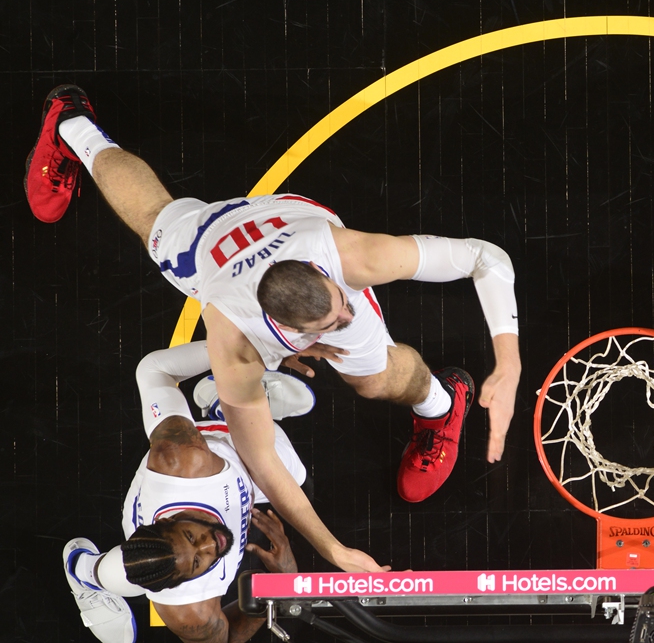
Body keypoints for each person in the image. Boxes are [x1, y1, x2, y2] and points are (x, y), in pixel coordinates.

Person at [26, 85, 522, 573]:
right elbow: (261, 459)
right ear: (282, 328)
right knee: (150, 219)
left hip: (285, 222)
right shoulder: (233, 340)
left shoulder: (349, 257)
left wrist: (509, 362)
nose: (347, 317)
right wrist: (333, 550)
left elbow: (485, 258)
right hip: (211, 246)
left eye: (339, 306)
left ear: (324, 275)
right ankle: (70, 121)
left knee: (373, 378)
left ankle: (441, 404)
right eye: (330, 323)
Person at [63, 342, 310, 643]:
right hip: (204, 524)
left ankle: (224, 401)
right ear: (180, 583)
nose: (210, 546)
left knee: (291, 471)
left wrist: (255, 345)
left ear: (167, 522)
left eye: (191, 536)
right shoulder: (189, 611)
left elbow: (154, 370)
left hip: (221, 452)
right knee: (290, 483)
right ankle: (85, 577)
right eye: (197, 563)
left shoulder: (183, 459)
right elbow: (227, 638)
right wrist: (279, 583)